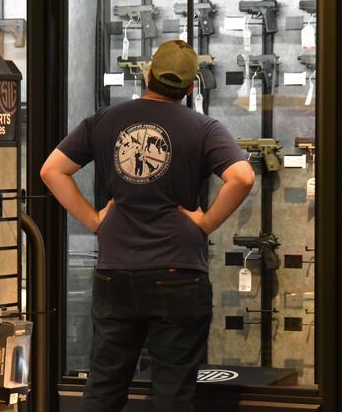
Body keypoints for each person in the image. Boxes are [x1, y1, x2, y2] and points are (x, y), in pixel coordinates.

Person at [41, 40, 254, 412]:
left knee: (104, 387)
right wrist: (205, 223)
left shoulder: (105, 120)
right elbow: (242, 177)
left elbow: (51, 170)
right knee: (172, 393)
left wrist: (92, 219)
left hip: (115, 273)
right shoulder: (204, 127)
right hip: (178, 273)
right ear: (191, 88)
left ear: (147, 74)